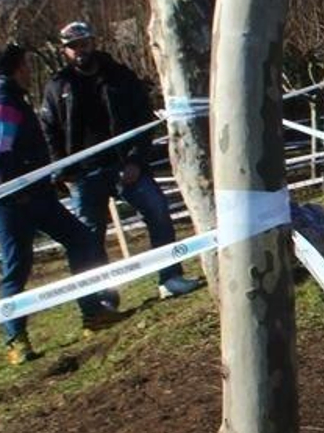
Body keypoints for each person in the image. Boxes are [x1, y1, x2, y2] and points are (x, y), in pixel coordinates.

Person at [39, 21, 204, 303]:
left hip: (125, 166)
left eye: (83, 43)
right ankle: (105, 296)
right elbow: (49, 130)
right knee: (89, 237)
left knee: (158, 211)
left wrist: (136, 161)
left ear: (93, 42)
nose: (80, 50)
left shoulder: (120, 76)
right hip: (83, 174)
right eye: (73, 46)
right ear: (64, 50)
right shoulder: (57, 86)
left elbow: (143, 119)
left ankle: (170, 278)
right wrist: (63, 171)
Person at [0, 44, 122, 365]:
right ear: (17, 68)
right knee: (17, 267)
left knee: (82, 240)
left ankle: (92, 313)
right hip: (12, 199)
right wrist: (16, 191)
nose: (29, 72)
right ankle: (15, 340)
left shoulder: (13, 98)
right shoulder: (2, 102)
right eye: (26, 66)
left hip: (36, 193)